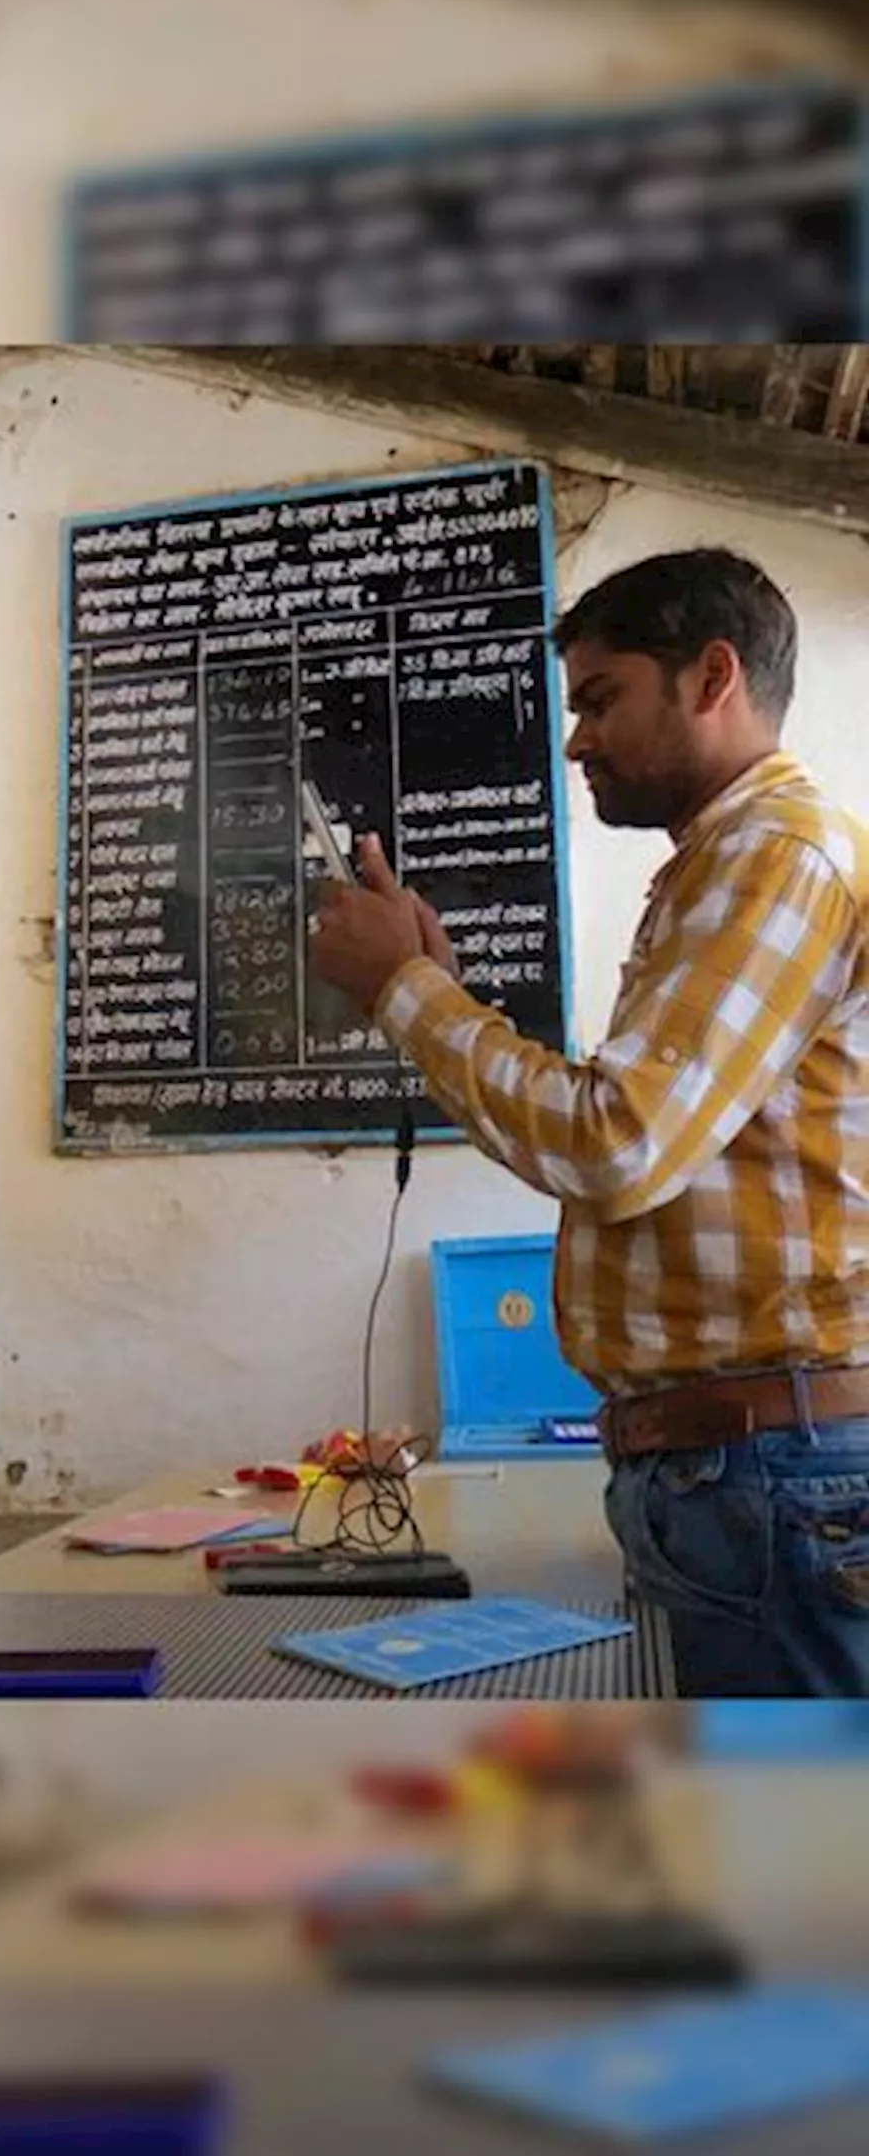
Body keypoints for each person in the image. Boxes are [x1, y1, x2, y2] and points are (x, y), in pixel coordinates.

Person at [312, 546, 869, 1698]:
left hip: (769, 1464)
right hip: (750, 1461)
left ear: (711, 677)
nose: (572, 742)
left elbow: (613, 1143)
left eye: (601, 699)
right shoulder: (728, 862)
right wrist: (436, 991)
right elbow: (639, 1132)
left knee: (787, 1859)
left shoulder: (772, 855)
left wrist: (403, 994)